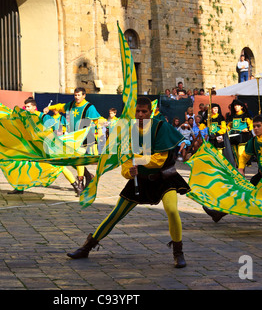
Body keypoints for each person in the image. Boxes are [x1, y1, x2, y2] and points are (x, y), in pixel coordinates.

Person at [66, 97, 191, 268]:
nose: (140, 115)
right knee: (115, 214)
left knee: (172, 210)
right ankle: (86, 247)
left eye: (144, 112)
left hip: (164, 179)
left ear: (150, 112)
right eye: (137, 111)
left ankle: (178, 252)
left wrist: (136, 160)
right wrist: (129, 172)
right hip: (140, 180)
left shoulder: (160, 127)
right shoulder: (129, 131)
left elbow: (158, 160)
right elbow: (126, 163)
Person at [44, 87, 101, 194]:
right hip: (72, 137)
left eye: (79, 95)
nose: (77, 97)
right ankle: (88, 175)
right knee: (73, 161)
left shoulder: (89, 107)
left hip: (84, 137)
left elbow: (98, 120)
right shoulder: (70, 105)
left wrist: (98, 134)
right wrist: (50, 108)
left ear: (84, 95)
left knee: (78, 158)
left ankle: (80, 183)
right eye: (75, 95)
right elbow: (60, 106)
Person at [226, 100, 253, 164]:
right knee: (235, 154)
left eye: (238, 105)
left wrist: (247, 129)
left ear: (242, 107)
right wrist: (227, 129)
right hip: (233, 137)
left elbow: (251, 125)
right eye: (235, 105)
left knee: (240, 153)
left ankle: (241, 168)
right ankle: (239, 170)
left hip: (242, 137)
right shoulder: (232, 116)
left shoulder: (246, 115)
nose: (236, 107)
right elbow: (229, 126)